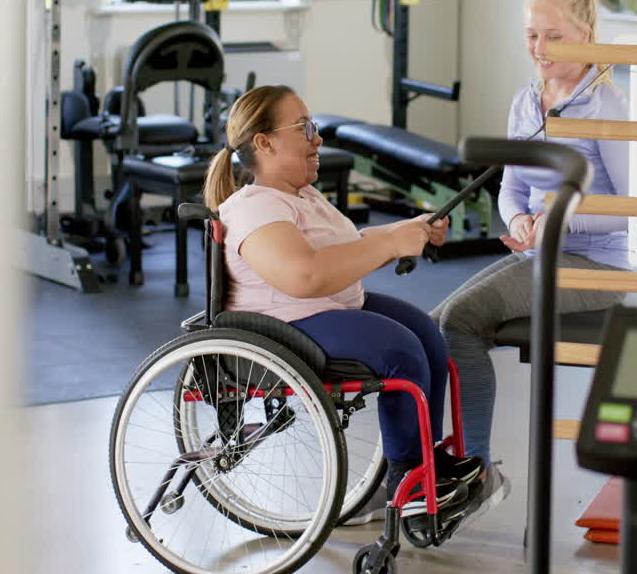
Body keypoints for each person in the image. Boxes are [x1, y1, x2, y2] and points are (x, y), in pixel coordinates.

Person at [202, 84, 483, 524]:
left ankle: (425, 462)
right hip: (284, 323)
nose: (317, 138)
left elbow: (347, 246)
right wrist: (391, 243)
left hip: (324, 310)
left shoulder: (300, 196)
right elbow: (304, 275)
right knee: (399, 351)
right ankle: (407, 476)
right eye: (305, 128)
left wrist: (404, 231)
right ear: (264, 142)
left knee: (427, 335)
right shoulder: (255, 207)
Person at [431, 0, 630, 522]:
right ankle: (420, 472)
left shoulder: (609, 105)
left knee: (462, 320)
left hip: (600, 265)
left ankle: (475, 472)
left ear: (586, 36)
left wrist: (557, 223)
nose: (540, 48)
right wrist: (520, 219)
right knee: (429, 326)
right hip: (540, 253)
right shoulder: (527, 100)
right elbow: (511, 188)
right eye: (531, 35)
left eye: (553, 35)